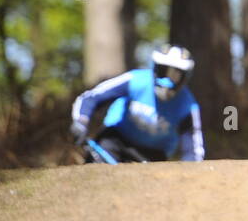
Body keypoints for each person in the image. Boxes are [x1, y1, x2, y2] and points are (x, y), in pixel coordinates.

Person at [70, 44, 205, 162]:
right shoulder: (135, 80)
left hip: (152, 156)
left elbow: (194, 150)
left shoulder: (188, 106)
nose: (168, 80)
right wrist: (81, 122)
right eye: (164, 71)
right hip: (114, 141)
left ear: (185, 78)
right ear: (155, 68)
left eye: (176, 75)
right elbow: (90, 98)